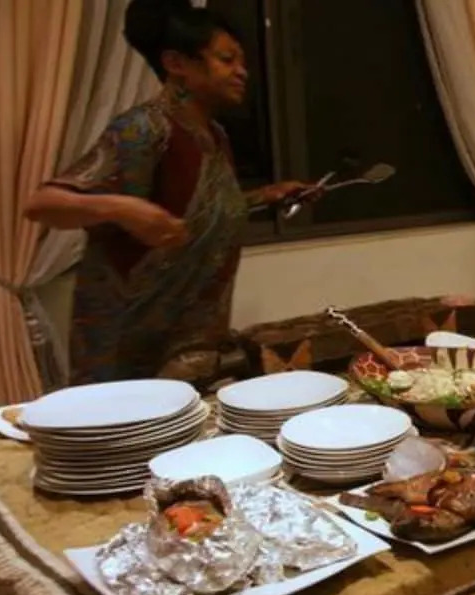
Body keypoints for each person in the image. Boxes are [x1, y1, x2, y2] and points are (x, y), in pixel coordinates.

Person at [25, 0, 319, 383]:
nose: (241, 72)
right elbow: (42, 204)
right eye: (227, 59)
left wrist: (266, 196)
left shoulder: (214, 136)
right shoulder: (144, 130)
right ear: (177, 63)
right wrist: (123, 208)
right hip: (126, 353)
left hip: (186, 352)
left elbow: (192, 216)